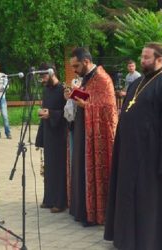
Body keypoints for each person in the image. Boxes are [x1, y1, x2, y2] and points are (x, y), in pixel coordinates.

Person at [104, 42, 162, 250]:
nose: (142, 61)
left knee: (148, 201)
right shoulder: (137, 83)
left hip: (152, 158)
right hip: (130, 154)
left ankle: (149, 239)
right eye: (141, 57)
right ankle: (128, 237)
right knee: (129, 197)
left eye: (146, 58)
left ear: (159, 59)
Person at [67, 47, 118, 226]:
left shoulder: (102, 78)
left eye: (76, 66)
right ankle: (81, 210)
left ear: (86, 62)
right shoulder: (88, 78)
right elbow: (89, 98)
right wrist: (74, 94)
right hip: (83, 129)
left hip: (97, 136)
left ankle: (94, 214)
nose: (74, 70)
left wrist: (85, 104)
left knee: (91, 169)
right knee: (80, 167)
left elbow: (107, 107)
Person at [35, 63, 67, 213]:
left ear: (52, 73)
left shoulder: (63, 90)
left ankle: (60, 202)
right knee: (48, 168)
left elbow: (67, 113)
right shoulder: (46, 90)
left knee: (59, 168)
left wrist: (52, 114)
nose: (42, 79)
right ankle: (49, 199)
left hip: (60, 133)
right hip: (48, 132)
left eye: (44, 75)